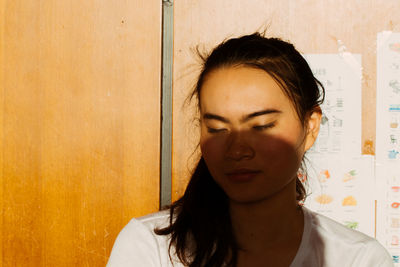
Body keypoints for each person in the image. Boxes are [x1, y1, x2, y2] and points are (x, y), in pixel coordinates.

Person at [107, 32, 393, 267]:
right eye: (217, 129)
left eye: (262, 126)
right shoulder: (150, 246)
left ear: (311, 126)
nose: (237, 150)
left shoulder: (358, 259)